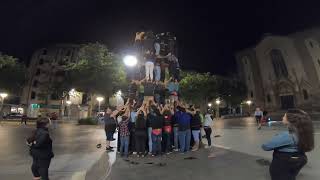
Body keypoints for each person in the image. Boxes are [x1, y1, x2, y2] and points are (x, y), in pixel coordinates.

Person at [262, 109, 314, 180]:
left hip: (284, 161)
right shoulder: (303, 132)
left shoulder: (288, 136)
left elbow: (266, 146)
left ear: (290, 120)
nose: (282, 117)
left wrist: (277, 137)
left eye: (284, 116)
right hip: (299, 158)